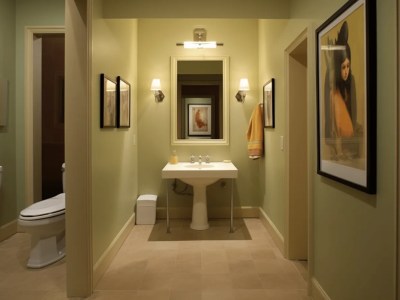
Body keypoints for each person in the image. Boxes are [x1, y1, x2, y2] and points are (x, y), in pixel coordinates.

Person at [324, 21, 360, 160]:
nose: (346, 71)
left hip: (349, 136)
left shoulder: (351, 82)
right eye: (343, 67)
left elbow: (353, 112)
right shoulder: (334, 91)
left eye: (348, 66)